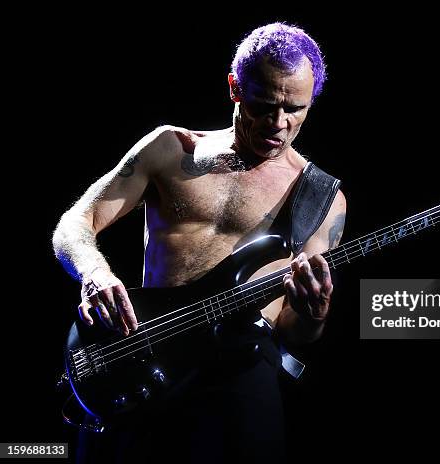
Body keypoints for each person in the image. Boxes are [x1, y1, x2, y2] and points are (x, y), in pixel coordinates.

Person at [52, 22, 346, 463]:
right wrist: (95, 273)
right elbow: (75, 223)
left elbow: (296, 331)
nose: (279, 124)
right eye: (265, 106)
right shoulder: (171, 148)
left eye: (295, 110)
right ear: (235, 88)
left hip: (241, 371)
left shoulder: (321, 198)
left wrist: (314, 313)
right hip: (142, 355)